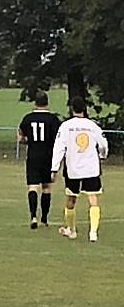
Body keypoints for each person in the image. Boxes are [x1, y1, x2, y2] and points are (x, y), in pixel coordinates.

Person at [51, 96, 108, 242]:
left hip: (73, 169)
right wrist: (102, 155)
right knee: (93, 199)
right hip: (91, 169)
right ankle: (93, 232)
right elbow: (103, 144)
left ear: (71, 109)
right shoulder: (93, 126)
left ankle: (71, 230)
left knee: (71, 199)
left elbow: (59, 148)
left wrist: (54, 168)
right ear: (84, 108)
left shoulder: (66, 126)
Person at [18, 91, 62, 229]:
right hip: (48, 156)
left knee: (32, 186)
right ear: (47, 102)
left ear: (35, 102)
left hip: (33, 155)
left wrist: (26, 140)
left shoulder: (28, 118)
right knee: (46, 187)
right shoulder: (53, 120)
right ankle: (44, 218)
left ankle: (33, 216)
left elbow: (21, 138)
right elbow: (59, 140)